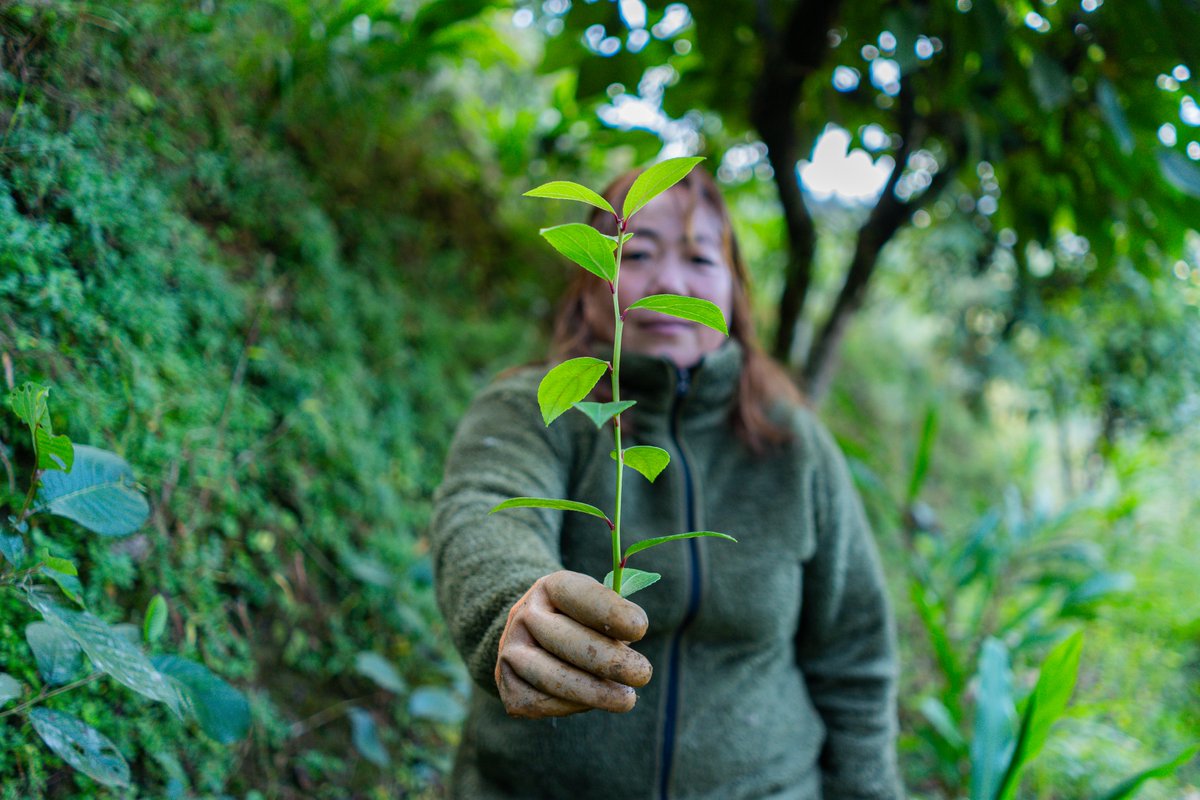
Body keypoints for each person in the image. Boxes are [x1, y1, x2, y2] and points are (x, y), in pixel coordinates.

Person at [430, 166, 902, 799]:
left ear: (734, 295)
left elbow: (855, 655)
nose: (669, 281)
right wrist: (516, 606)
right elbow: (485, 512)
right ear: (589, 283)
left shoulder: (794, 447)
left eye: (701, 259)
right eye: (637, 253)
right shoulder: (536, 409)